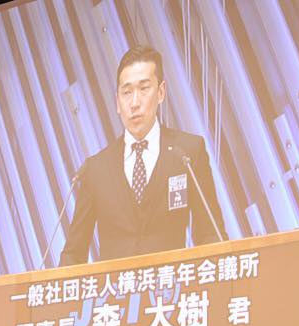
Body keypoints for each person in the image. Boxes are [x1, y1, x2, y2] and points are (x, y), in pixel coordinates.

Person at [59, 45, 227, 266]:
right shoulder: (95, 169)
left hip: (172, 285)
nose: (134, 103)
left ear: (161, 92)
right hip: (117, 288)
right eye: (127, 92)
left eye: (144, 89)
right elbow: (73, 254)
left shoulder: (187, 153)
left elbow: (211, 235)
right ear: (117, 102)